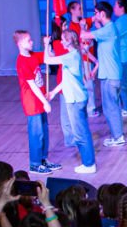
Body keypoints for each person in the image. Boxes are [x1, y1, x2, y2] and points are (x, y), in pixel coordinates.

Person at [40, 26, 97, 175]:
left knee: (80, 134)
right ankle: (88, 162)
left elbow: (46, 60)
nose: (61, 42)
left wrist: (46, 44)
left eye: (63, 40)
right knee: (82, 132)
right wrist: (53, 92)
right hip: (77, 97)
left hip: (75, 100)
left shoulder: (71, 56)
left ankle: (89, 164)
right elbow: (66, 80)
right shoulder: (73, 55)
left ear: (69, 41)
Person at [15, 29, 58, 175]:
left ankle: (43, 159)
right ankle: (35, 163)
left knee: (44, 131)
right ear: (20, 43)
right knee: (36, 133)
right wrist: (45, 102)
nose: (32, 42)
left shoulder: (33, 55)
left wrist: (47, 45)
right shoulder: (22, 62)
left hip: (40, 99)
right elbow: (32, 85)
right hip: (32, 102)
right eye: (28, 40)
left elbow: (48, 58)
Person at [88, 3, 125, 149]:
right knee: (112, 107)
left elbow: (84, 35)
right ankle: (117, 135)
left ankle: (118, 137)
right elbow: (98, 30)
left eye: (96, 13)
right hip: (110, 74)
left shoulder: (108, 29)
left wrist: (85, 23)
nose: (95, 15)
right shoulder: (109, 28)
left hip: (110, 76)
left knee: (111, 108)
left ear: (102, 14)